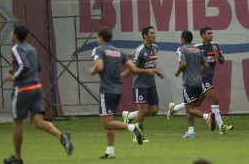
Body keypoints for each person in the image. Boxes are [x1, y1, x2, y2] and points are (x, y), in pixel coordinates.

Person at [3, 25, 74, 164]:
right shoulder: (32, 48)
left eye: (12, 32)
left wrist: (13, 77)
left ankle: (17, 159)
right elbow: (37, 67)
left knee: (17, 122)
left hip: (24, 89)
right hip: (37, 87)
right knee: (38, 121)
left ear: (15, 36)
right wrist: (15, 69)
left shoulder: (16, 48)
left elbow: (25, 66)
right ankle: (61, 136)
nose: (11, 34)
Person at [90, 27, 157, 159]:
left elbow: (99, 67)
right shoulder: (118, 51)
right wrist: (146, 71)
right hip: (118, 90)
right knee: (110, 120)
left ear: (101, 38)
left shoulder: (99, 49)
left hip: (107, 90)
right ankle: (110, 151)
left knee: (106, 123)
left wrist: (93, 71)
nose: (97, 40)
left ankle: (133, 127)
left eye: (97, 37)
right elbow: (132, 68)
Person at [167, 27, 233, 137]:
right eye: (209, 33)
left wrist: (219, 56)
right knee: (214, 98)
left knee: (195, 103)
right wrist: (198, 72)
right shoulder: (197, 48)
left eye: (212, 33)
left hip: (207, 78)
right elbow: (192, 62)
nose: (211, 35)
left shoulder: (215, 45)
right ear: (202, 35)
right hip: (202, 78)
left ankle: (175, 109)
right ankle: (221, 127)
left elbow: (221, 62)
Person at [120, 26, 163, 142]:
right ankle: (137, 135)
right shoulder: (139, 51)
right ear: (145, 35)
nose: (154, 35)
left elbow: (151, 64)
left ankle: (129, 116)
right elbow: (132, 69)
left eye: (154, 33)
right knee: (143, 110)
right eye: (152, 33)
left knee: (154, 110)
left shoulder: (155, 48)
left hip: (151, 84)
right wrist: (146, 71)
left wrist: (157, 72)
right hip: (140, 85)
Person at [172, 30, 216, 137]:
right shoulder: (198, 50)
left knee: (189, 109)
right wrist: (197, 72)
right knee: (191, 107)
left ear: (183, 39)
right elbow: (206, 65)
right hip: (199, 82)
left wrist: (177, 73)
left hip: (189, 83)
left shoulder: (182, 49)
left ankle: (207, 116)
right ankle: (191, 132)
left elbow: (182, 64)